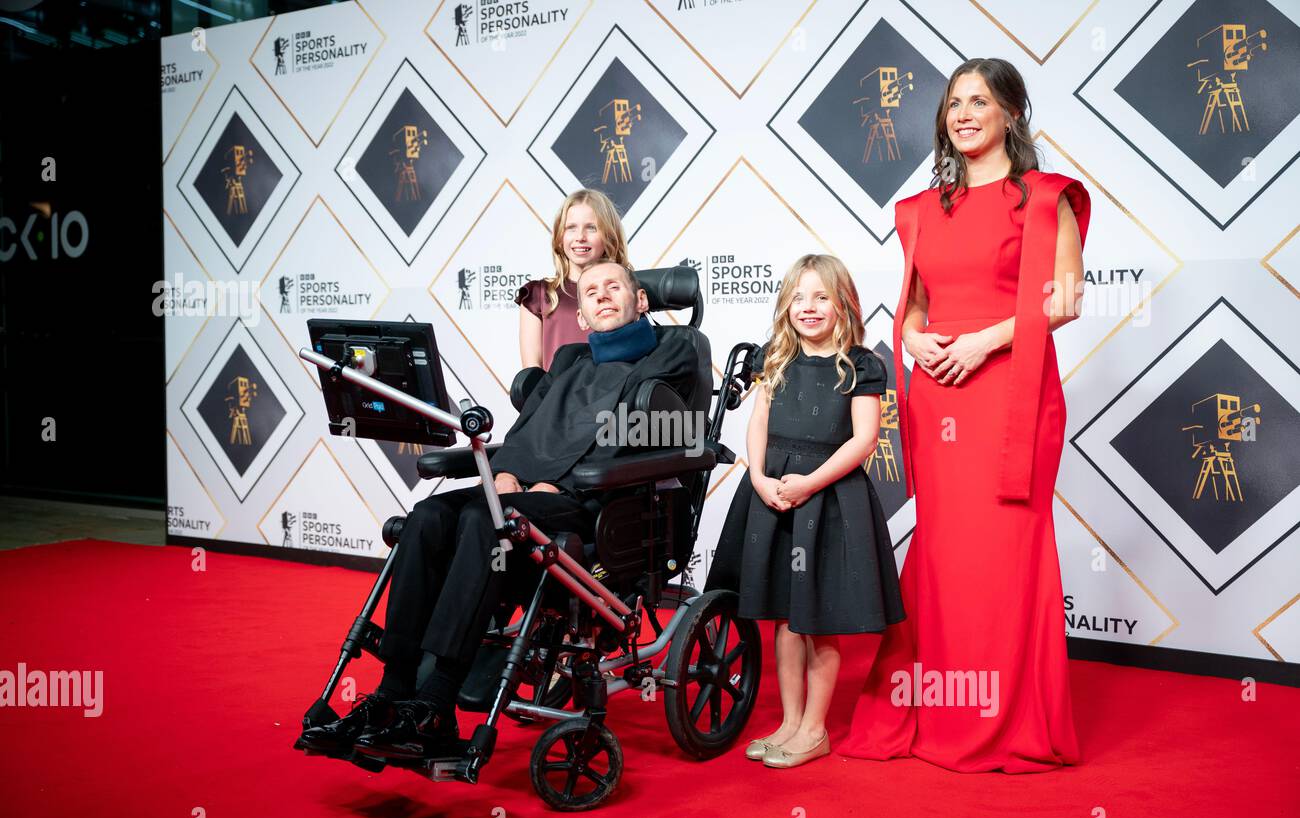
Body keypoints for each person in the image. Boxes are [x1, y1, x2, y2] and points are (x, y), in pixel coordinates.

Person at [296, 261, 696, 761]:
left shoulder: (675, 348)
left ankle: (437, 700)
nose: (602, 295)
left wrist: (556, 482)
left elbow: (641, 428)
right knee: (429, 518)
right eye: (590, 292)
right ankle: (394, 691)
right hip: (529, 489)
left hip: (594, 500)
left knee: (484, 522)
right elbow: (529, 428)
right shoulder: (570, 359)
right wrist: (505, 471)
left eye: (616, 287)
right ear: (584, 317)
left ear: (642, 302)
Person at [841, 57, 1090, 773]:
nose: (963, 114)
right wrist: (914, 338)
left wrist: (984, 341)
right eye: (954, 103)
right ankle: (937, 703)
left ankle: (1010, 716)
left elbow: (1063, 300)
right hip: (938, 393)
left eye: (979, 101)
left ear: (1012, 112)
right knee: (944, 549)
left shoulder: (1048, 199)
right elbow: (915, 304)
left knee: (1007, 549)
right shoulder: (924, 210)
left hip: (1010, 389)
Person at [705, 254, 905, 769]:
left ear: (843, 304)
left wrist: (810, 483)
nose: (808, 308)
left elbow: (864, 440)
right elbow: (759, 421)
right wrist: (757, 478)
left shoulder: (862, 364)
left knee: (817, 618)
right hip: (773, 491)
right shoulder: (773, 357)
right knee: (785, 620)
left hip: (830, 497)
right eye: (798, 297)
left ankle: (815, 729)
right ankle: (790, 723)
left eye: (821, 297)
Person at [517, 189, 632, 370]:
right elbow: (530, 375)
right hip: (553, 397)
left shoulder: (625, 292)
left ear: (609, 235)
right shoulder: (538, 295)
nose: (580, 237)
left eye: (591, 228)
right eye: (571, 228)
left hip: (612, 395)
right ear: (560, 237)